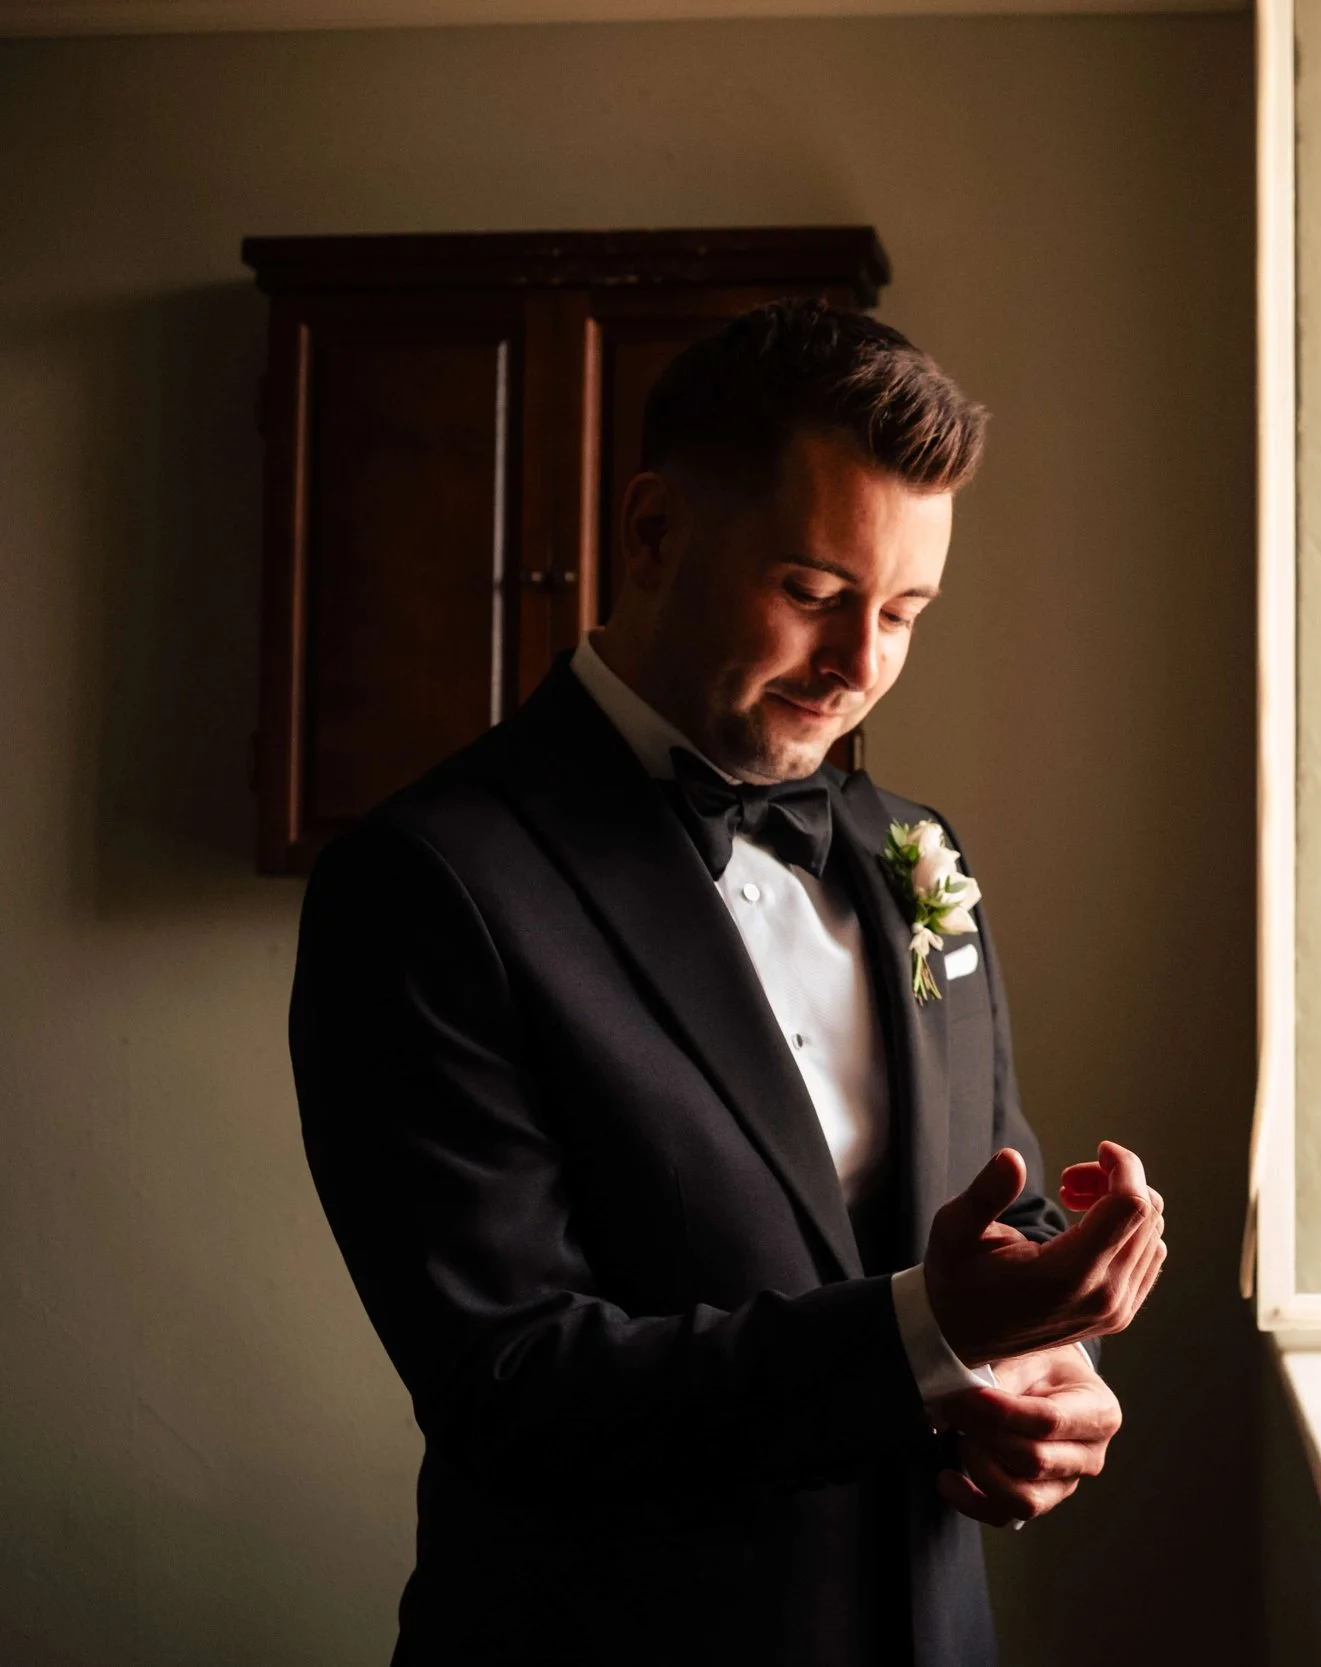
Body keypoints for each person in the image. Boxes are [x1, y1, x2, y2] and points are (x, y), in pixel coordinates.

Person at [289, 298, 1166, 1666]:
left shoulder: (913, 850)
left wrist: (1053, 1373)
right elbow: (515, 1387)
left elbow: (1000, 1200)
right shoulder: (424, 886)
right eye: (814, 593)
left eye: (905, 611)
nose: (860, 663)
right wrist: (935, 1329)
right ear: (651, 530)